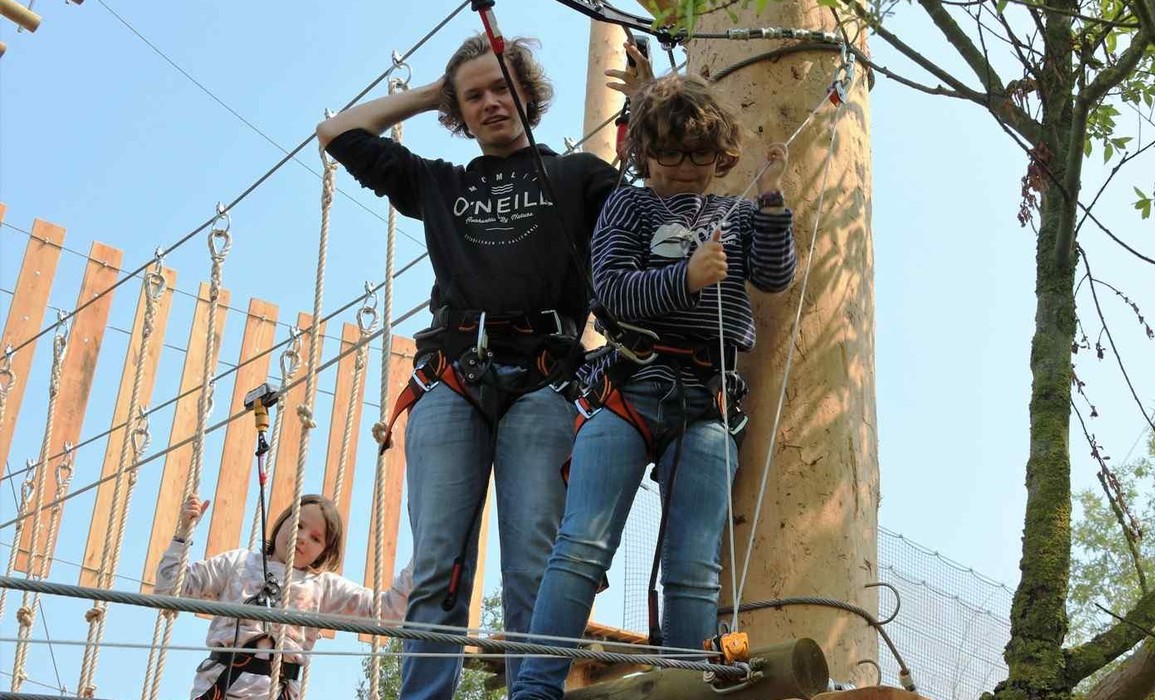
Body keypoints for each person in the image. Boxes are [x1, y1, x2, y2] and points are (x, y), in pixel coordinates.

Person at [315, 34, 651, 700]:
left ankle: (535, 692)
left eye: (501, 88)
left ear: (525, 93)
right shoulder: (440, 184)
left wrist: (644, 111)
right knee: (439, 560)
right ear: (457, 113)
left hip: (545, 379)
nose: (491, 103)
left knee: (535, 559)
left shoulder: (576, 176)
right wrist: (434, 93)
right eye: (473, 97)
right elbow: (336, 132)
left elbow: (646, 213)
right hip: (451, 379)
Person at [508, 74, 796, 700]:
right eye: (669, 156)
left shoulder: (737, 214)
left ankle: (685, 688)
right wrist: (686, 278)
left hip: (707, 399)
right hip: (629, 388)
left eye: (698, 156)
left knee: (693, 568)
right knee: (582, 544)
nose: (685, 169)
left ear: (721, 157)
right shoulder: (629, 206)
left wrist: (772, 205)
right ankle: (535, 685)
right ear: (645, 155)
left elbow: (774, 279)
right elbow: (609, 291)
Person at [155, 494, 414, 700]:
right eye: (298, 525)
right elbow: (170, 590)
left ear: (323, 552)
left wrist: (420, 563)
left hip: (276, 691)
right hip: (220, 688)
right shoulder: (239, 563)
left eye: (315, 538)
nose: (302, 538)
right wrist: (183, 534)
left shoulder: (321, 587)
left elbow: (387, 611)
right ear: (282, 522)